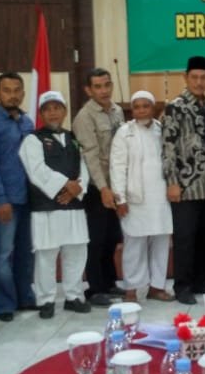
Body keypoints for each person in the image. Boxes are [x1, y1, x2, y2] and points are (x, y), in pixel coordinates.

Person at [20, 91, 91, 318]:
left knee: (76, 251)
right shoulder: (32, 139)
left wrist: (77, 188)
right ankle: (46, 300)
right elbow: (36, 171)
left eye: (57, 107)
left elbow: (84, 169)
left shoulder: (73, 138)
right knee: (46, 255)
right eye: (48, 109)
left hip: (73, 206)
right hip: (46, 206)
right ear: (41, 113)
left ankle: (73, 296)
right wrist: (64, 185)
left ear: (64, 111)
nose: (53, 112)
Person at [0, 72, 35, 322]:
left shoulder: (27, 122)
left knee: (25, 252)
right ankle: (3, 304)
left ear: (22, 93)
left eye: (16, 90)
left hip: (28, 198)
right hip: (6, 200)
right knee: (2, 254)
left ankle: (25, 297)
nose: (12, 95)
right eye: (7, 90)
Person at [162, 55, 205, 305]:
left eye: (203, 77)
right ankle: (182, 286)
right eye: (194, 77)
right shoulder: (175, 106)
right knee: (185, 238)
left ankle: (200, 281)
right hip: (185, 185)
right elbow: (167, 146)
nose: (198, 82)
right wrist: (172, 181)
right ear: (185, 78)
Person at [110, 90, 174, 302]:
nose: (141, 110)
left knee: (160, 242)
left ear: (153, 108)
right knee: (134, 244)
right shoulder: (124, 132)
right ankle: (132, 288)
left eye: (145, 106)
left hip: (161, 197)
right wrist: (120, 198)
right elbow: (117, 166)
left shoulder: (162, 130)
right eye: (136, 106)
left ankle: (157, 286)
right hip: (134, 198)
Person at [72, 67, 124, 307]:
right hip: (96, 187)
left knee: (113, 236)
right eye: (98, 86)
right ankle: (94, 288)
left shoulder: (117, 111)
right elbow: (90, 156)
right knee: (96, 239)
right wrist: (103, 188)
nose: (104, 90)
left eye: (107, 85)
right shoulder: (84, 117)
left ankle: (110, 281)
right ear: (88, 90)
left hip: (115, 185)